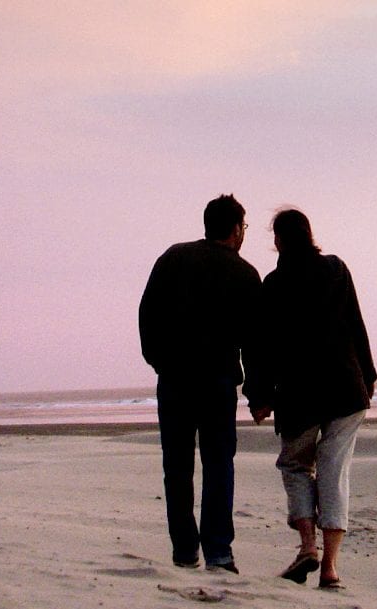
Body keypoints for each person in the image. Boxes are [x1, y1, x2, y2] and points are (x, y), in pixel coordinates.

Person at [250, 208, 376, 590]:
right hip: (344, 386)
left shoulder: (273, 284)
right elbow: (356, 324)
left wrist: (259, 394)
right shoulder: (336, 269)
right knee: (335, 472)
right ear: (310, 235)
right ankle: (331, 568)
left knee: (295, 465)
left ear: (278, 241)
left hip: (299, 393)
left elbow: (261, 346)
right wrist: (367, 378)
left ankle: (308, 546)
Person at [138, 194, 264, 574]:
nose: (244, 233)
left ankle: (184, 549)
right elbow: (255, 343)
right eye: (244, 227)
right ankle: (219, 551)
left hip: (174, 378)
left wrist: (158, 359)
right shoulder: (245, 273)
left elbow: (147, 313)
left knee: (177, 465)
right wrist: (258, 393)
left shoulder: (173, 258)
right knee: (218, 464)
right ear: (235, 229)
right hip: (218, 381)